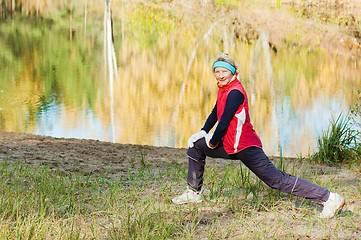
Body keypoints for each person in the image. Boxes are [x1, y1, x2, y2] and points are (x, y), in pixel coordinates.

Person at [172, 52, 345, 218]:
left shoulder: (235, 92)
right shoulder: (224, 88)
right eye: (217, 71)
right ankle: (193, 193)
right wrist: (203, 131)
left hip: (245, 146)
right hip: (229, 144)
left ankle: (329, 198)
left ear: (233, 71)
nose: (220, 75)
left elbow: (224, 122)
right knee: (195, 146)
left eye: (224, 71)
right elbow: (216, 111)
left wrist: (212, 142)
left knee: (276, 180)